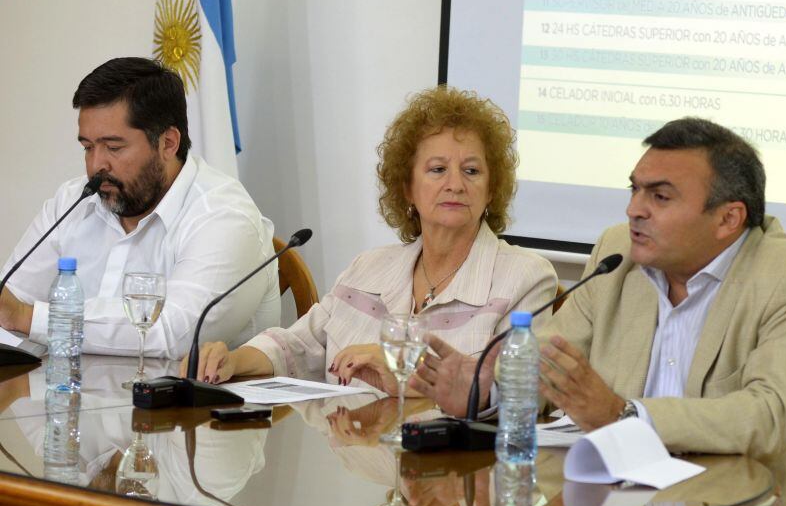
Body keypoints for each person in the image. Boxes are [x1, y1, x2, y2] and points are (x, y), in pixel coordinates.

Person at [412, 118, 786, 506]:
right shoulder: (617, 254)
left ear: (728, 218)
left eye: (659, 196)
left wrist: (624, 415)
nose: (634, 209)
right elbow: (552, 366)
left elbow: (770, 416)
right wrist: (488, 388)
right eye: (635, 190)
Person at [184, 86, 557, 391]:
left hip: (457, 469)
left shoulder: (524, 278)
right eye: (438, 169)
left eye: (472, 170)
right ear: (407, 187)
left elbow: (514, 388)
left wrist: (403, 369)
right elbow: (298, 345)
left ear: (492, 190)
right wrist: (234, 360)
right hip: (360, 461)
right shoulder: (370, 269)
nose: (455, 184)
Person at [0, 57, 280, 359]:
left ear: (168, 143)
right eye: (87, 147)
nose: (96, 165)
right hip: (76, 398)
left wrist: (29, 318)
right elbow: (9, 307)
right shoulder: (73, 202)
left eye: (114, 148)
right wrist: (14, 317)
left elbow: (176, 334)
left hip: (194, 404)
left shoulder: (224, 216)